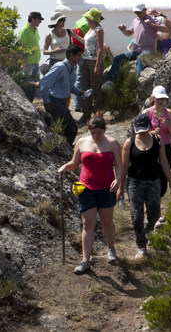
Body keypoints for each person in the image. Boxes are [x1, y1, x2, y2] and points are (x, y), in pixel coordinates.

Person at [57, 114, 124, 275]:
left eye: (99, 133)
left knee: (107, 222)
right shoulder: (81, 142)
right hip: (86, 189)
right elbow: (75, 163)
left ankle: (111, 249)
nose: (95, 136)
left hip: (107, 189)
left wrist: (118, 180)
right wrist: (65, 167)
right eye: (93, 133)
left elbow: (119, 165)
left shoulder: (113, 143)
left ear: (104, 130)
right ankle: (85, 260)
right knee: (87, 223)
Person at [120, 113, 171, 259]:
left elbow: (163, 161)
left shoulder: (158, 140)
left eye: (144, 129)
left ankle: (146, 229)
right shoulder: (129, 142)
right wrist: (119, 187)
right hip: (134, 182)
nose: (142, 133)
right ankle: (141, 245)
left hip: (154, 181)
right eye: (139, 130)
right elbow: (124, 166)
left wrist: (170, 181)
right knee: (136, 215)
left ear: (149, 127)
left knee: (154, 214)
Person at [103, 3, 171, 89]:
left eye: (139, 12)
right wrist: (123, 30)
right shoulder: (135, 21)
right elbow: (129, 33)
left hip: (149, 51)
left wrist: (152, 25)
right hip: (136, 51)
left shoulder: (152, 19)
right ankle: (110, 82)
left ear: (144, 10)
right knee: (118, 58)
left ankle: (137, 84)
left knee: (140, 59)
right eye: (135, 13)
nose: (137, 14)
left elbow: (165, 30)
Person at [40, 45, 88, 147]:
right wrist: (46, 101)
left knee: (73, 127)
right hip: (54, 101)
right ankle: (63, 150)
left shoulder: (71, 69)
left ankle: (65, 149)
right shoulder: (60, 66)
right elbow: (44, 83)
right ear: (72, 55)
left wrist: (80, 92)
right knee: (69, 128)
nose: (80, 57)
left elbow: (69, 86)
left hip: (61, 102)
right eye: (79, 55)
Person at [80, 9, 105, 121]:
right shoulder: (91, 29)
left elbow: (100, 48)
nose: (86, 19)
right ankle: (86, 114)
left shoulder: (98, 30)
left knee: (95, 89)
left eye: (88, 18)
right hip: (86, 60)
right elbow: (87, 43)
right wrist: (75, 37)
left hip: (94, 61)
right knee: (85, 89)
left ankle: (97, 115)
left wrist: (97, 65)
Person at [17, 11, 43, 102]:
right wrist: (24, 60)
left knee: (36, 83)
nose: (40, 22)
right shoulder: (24, 30)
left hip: (35, 61)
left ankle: (37, 100)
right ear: (33, 19)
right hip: (28, 62)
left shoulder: (36, 29)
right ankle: (26, 101)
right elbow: (21, 46)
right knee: (26, 83)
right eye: (39, 20)